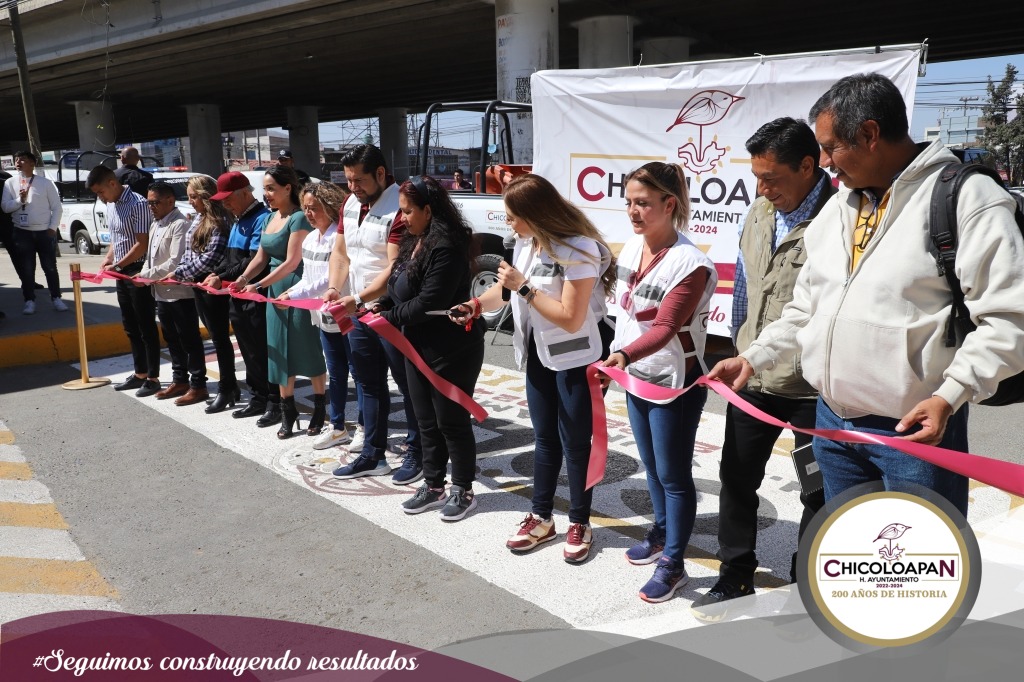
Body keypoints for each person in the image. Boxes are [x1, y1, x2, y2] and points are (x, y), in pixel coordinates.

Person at [709, 74, 1024, 521]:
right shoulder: (838, 208)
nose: (823, 161)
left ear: (870, 134)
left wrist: (950, 395)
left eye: (831, 146)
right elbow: (807, 307)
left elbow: (1010, 319)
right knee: (855, 561)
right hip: (832, 424)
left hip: (915, 433)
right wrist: (754, 357)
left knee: (917, 568)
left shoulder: (967, 197)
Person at [691, 119, 833, 621]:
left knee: (821, 489)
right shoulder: (758, 211)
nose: (762, 188)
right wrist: (740, 349)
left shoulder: (839, 220)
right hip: (754, 374)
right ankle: (734, 578)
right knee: (736, 477)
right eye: (756, 177)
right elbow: (748, 291)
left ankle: (806, 586)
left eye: (771, 177)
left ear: (808, 167)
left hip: (817, 386)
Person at [460, 173, 615, 563]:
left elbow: (570, 317)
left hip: (578, 357)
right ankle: (541, 516)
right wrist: (477, 305)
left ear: (535, 213)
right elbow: (505, 289)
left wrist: (525, 287)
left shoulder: (580, 250)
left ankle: (580, 521)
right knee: (545, 439)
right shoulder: (528, 244)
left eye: (513, 217)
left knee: (576, 443)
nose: (508, 225)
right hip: (538, 355)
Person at [596, 162, 716, 600]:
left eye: (643, 203)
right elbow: (625, 315)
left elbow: (665, 328)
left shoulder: (691, 263)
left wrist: (620, 356)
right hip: (635, 377)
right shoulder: (632, 246)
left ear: (670, 204)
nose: (633, 211)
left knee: (674, 476)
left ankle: (674, 564)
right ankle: (662, 534)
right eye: (629, 202)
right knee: (652, 467)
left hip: (673, 382)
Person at [375, 175, 485, 521]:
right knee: (425, 420)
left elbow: (429, 301)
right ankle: (434, 484)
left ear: (428, 209)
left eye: (408, 211)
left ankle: (463, 489)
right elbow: (399, 284)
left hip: (450, 346)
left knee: (451, 420)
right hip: (416, 343)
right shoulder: (415, 239)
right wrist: (382, 304)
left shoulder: (447, 245)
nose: (402, 218)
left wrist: (390, 317)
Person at [323, 144, 422, 484]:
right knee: (368, 383)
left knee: (410, 387)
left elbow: (396, 267)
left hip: (392, 311)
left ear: (381, 174)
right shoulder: (350, 204)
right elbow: (340, 253)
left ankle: (417, 452)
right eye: (348, 180)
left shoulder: (400, 207)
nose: (353, 187)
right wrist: (336, 288)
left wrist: (357, 298)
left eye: (359, 180)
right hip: (358, 309)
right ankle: (372, 453)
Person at [230, 166, 325, 439]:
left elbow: (292, 262)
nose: (267, 194)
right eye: (265, 190)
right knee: (279, 353)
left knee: (306, 347)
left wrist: (258, 284)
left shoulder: (299, 219)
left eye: (271, 188)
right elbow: (260, 257)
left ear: (288, 188)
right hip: (273, 291)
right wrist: (242, 278)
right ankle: (288, 410)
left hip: (297, 289)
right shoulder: (267, 219)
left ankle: (319, 408)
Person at [207, 171, 281, 426]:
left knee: (263, 350)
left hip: (255, 294)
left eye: (228, 198)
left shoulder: (261, 218)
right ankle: (258, 397)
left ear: (245, 193)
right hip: (236, 295)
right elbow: (232, 260)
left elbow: (252, 261)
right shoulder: (238, 219)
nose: (225, 204)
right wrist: (219, 276)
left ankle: (274, 401)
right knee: (248, 350)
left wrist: (221, 276)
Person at [283, 181, 352, 445]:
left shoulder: (338, 238)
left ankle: (366, 429)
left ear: (330, 207)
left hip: (345, 316)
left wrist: (295, 295)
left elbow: (327, 281)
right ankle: (337, 426)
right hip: (323, 319)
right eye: (305, 208)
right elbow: (307, 278)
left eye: (314, 208)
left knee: (358, 375)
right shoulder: (311, 238)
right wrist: (291, 293)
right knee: (335, 374)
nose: (309, 214)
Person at [87, 165, 161, 396]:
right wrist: (108, 259)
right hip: (120, 271)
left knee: (145, 324)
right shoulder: (112, 205)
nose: (100, 198)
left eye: (101, 192)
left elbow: (142, 243)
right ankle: (139, 372)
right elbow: (117, 239)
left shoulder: (138, 204)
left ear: (112, 183)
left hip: (137, 270)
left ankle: (153, 377)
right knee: (130, 325)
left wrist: (118, 265)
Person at [139, 182, 208, 405]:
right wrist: (144, 274)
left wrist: (146, 276)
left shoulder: (180, 224)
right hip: (160, 292)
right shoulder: (156, 224)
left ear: (170, 201)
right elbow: (150, 257)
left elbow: (174, 262)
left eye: (155, 202)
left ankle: (198, 384)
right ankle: (180, 380)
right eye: (149, 202)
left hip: (180, 293)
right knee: (172, 339)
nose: (151, 207)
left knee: (189, 339)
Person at [175, 175, 236, 413]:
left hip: (214, 286)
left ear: (205, 196)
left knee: (221, 339)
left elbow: (211, 257)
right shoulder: (199, 218)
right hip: (199, 284)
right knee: (216, 337)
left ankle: (227, 387)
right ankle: (229, 386)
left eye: (193, 196)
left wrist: (182, 274)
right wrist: (183, 271)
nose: (190, 201)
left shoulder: (220, 220)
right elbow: (190, 253)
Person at [1, 151, 66, 315]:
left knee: (50, 267)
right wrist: (20, 200)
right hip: (22, 232)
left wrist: (53, 228)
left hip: (44, 232)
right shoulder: (10, 183)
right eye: (16, 159)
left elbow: (57, 207)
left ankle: (56, 298)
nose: (18, 162)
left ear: (32, 163)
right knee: (27, 269)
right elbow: (5, 207)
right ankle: (29, 300)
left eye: (22, 159)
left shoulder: (45, 183)